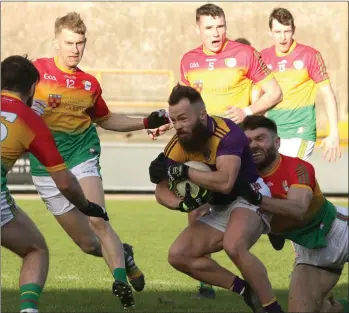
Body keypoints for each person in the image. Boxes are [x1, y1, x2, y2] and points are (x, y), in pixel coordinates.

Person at [29, 12, 169, 308]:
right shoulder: (36, 72)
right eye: (69, 42)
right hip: (46, 167)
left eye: (80, 43)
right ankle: (126, 256)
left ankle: (119, 279)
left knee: (98, 220)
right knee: (88, 244)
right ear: (56, 41)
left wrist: (145, 121)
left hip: (82, 155)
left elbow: (107, 120)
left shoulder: (90, 85)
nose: (75, 49)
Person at [178, 3, 284, 298]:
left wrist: (248, 109)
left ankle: (278, 229)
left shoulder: (244, 54)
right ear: (198, 28)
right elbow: (182, 105)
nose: (216, 32)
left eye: (220, 26)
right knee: (195, 204)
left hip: (237, 149)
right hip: (202, 150)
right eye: (209, 27)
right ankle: (205, 278)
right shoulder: (188, 60)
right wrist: (169, 123)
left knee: (260, 201)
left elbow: (275, 92)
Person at [149, 84, 285, 313]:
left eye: (183, 118)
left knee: (234, 245)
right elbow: (161, 190)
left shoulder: (227, 133)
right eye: (174, 120)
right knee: (178, 255)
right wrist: (180, 204)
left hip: (249, 197)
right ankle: (245, 290)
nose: (178, 126)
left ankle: (273, 309)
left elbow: (225, 182)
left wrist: (186, 172)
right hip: (220, 207)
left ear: (202, 114)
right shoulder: (176, 144)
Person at [1, 55, 108, 313]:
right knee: (35, 249)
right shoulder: (30, 120)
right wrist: (87, 206)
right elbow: (65, 183)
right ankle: (28, 310)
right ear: (31, 89)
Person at [240, 115, 348, 312]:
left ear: (277, 142)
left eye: (260, 139)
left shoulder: (297, 167)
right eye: (247, 141)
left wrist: (256, 199)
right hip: (310, 253)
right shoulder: (241, 177)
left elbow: (298, 209)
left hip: (340, 231)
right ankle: (336, 308)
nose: (253, 145)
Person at [255, 8, 341, 163]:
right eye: (277, 32)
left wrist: (334, 133)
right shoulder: (263, 57)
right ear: (270, 32)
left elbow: (327, 93)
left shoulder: (310, 55)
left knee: (291, 177)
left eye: (286, 31)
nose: (282, 37)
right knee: (279, 183)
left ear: (293, 30)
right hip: (274, 134)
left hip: (300, 132)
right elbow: (257, 96)